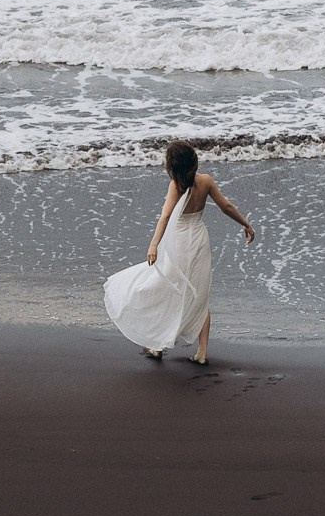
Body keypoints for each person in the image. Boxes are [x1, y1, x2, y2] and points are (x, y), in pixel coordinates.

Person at [103, 139, 255, 366]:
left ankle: (157, 346)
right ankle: (202, 353)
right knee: (199, 294)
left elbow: (165, 217)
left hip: (180, 243)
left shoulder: (176, 186)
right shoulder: (206, 181)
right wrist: (246, 224)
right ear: (194, 161)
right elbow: (227, 207)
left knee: (170, 290)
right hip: (200, 241)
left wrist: (153, 245)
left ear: (171, 167)